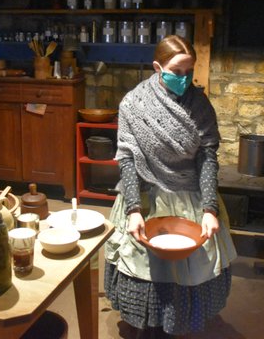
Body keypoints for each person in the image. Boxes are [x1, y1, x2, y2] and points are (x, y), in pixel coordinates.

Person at [103, 35, 237, 336]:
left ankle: (179, 322)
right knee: (145, 267)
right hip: (147, 194)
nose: (185, 79)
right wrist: (134, 209)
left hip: (190, 193)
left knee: (188, 270)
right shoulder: (133, 104)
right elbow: (127, 159)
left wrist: (209, 208)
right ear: (157, 67)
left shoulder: (199, 105)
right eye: (177, 72)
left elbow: (207, 156)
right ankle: (149, 325)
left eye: (190, 72)